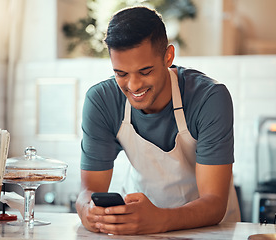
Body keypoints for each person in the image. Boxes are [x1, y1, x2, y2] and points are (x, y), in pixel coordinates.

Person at [76, 6, 240, 235]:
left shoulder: (209, 98)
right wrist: (88, 211)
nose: (133, 86)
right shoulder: (101, 101)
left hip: (209, 232)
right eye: (121, 74)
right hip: (141, 231)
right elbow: (88, 190)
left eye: (145, 71)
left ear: (168, 56)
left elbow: (214, 203)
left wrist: (160, 219)